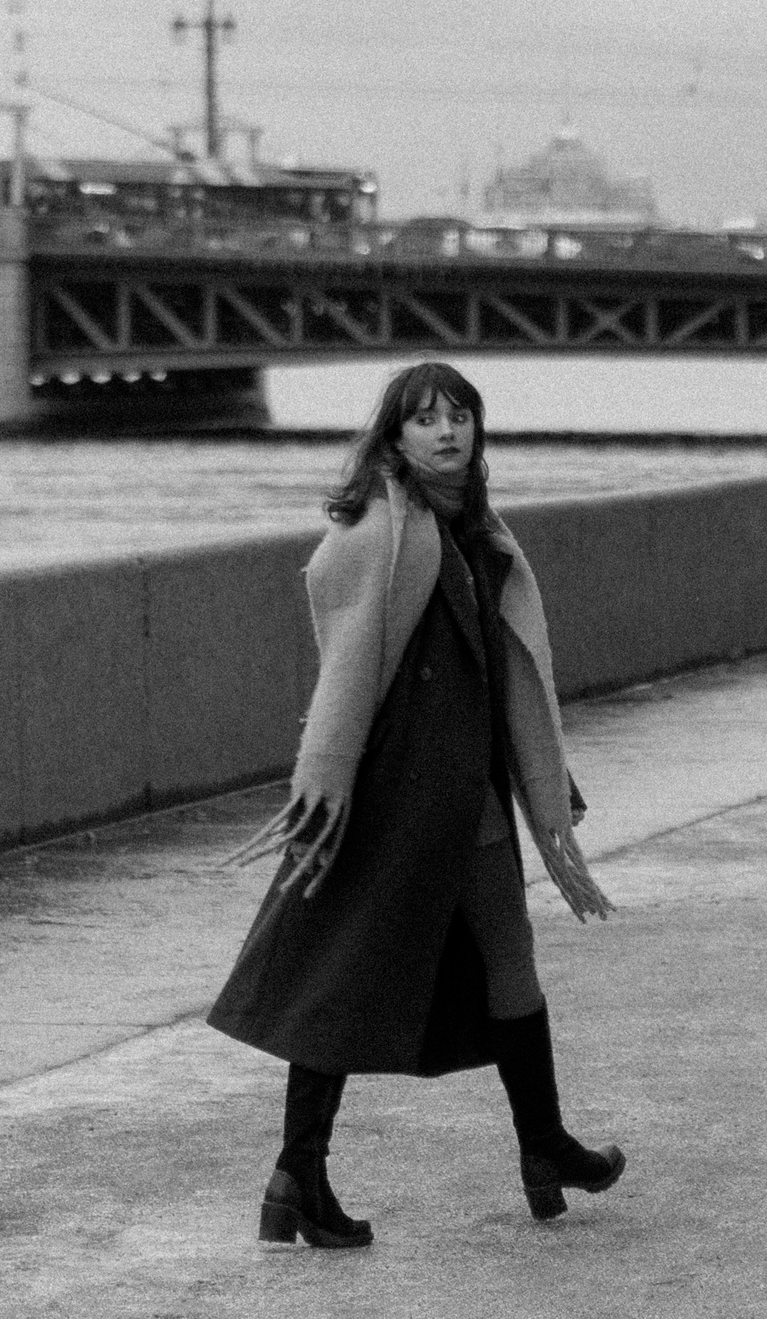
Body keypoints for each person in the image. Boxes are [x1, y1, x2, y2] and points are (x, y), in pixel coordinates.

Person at [208, 359, 623, 1248]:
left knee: (504, 960)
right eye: (426, 419)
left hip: (468, 792)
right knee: (344, 970)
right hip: (399, 795)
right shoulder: (381, 532)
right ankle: (300, 1173)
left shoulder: (472, 529)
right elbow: (342, 647)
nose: (447, 432)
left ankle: (542, 1146)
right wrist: (330, 772)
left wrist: (534, 769)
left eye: (460, 416)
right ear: (394, 437)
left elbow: (500, 669)